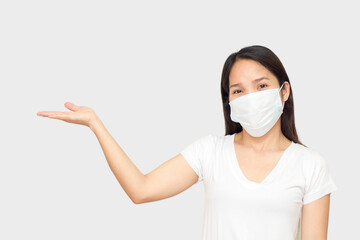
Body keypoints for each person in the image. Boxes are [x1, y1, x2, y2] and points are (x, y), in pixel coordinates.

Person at [37, 45, 338, 240]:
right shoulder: (210, 152)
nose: (251, 97)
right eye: (238, 91)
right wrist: (96, 125)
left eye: (261, 86)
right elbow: (140, 190)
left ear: (283, 91)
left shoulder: (310, 165)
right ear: (229, 101)